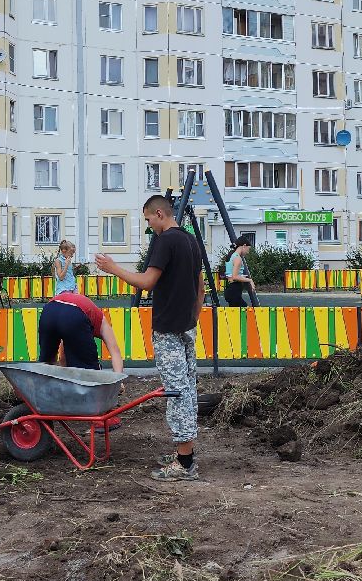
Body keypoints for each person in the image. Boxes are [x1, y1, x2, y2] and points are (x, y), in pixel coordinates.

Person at [94, 195, 204, 482]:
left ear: (159, 214)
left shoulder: (166, 241)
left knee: (176, 391)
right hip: (187, 327)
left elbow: (147, 282)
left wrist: (113, 268)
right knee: (188, 388)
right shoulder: (192, 240)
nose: (148, 226)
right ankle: (186, 452)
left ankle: (185, 463)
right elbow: (200, 285)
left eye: (147, 220)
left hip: (168, 328)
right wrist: (194, 317)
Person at [37, 291, 125, 374]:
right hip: (74, 312)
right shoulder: (103, 324)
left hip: (49, 310)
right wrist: (119, 381)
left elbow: (63, 355)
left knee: (47, 362)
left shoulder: (91, 316)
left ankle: (42, 386)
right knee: (87, 369)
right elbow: (115, 353)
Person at [221, 236, 255, 308]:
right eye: (248, 249)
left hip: (231, 289)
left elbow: (231, 274)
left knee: (236, 315)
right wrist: (250, 280)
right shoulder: (237, 258)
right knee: (245, 312)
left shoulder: (232, 256)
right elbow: (235, 276)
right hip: (234, 290)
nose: (248, 252)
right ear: (244, 246)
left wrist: (242, 277)